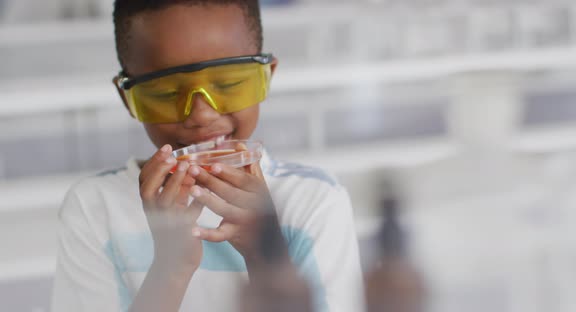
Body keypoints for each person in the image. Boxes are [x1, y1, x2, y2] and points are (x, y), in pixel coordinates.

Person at [51, 1, 364, 311]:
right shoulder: (93, 209)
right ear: (127, 99)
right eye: (166, 93)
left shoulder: (315, 203)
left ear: (266, 75)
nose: (201, 115)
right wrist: (170, 271)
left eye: (229, 84)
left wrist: (265, 254)